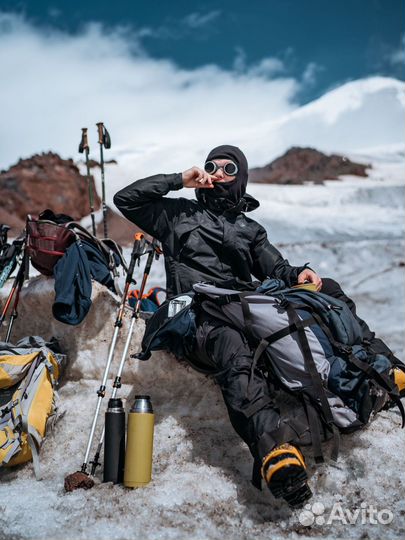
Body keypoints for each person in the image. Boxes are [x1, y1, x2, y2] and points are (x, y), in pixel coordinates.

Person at [114, 145, 403, 507]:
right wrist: (179, 180)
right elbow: (125, 199)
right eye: (211, 166)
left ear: (241, 177)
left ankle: (383, 368)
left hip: (243, 308)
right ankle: (274, 452)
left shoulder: (249, 229)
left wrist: (299, 274)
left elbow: (277, 271)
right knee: (232, 344)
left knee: (324, 292)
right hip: (197, 317)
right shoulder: (175, 214)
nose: (217, 172)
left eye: (228, 167)